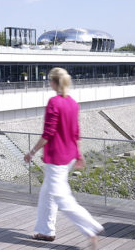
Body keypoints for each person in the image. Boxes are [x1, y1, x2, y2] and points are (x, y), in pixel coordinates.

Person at [24, 68, 103, 249]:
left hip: (57, 159)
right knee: (47, 194)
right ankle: (46, 231)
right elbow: (76, 133)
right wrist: (79, 155)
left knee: (62, 197)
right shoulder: (73, 103)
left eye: (49, 81)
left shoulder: (54, 102)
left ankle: (91, 228)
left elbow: (48, 133)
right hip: (68, 157)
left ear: (53, 83)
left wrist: (32, 152)